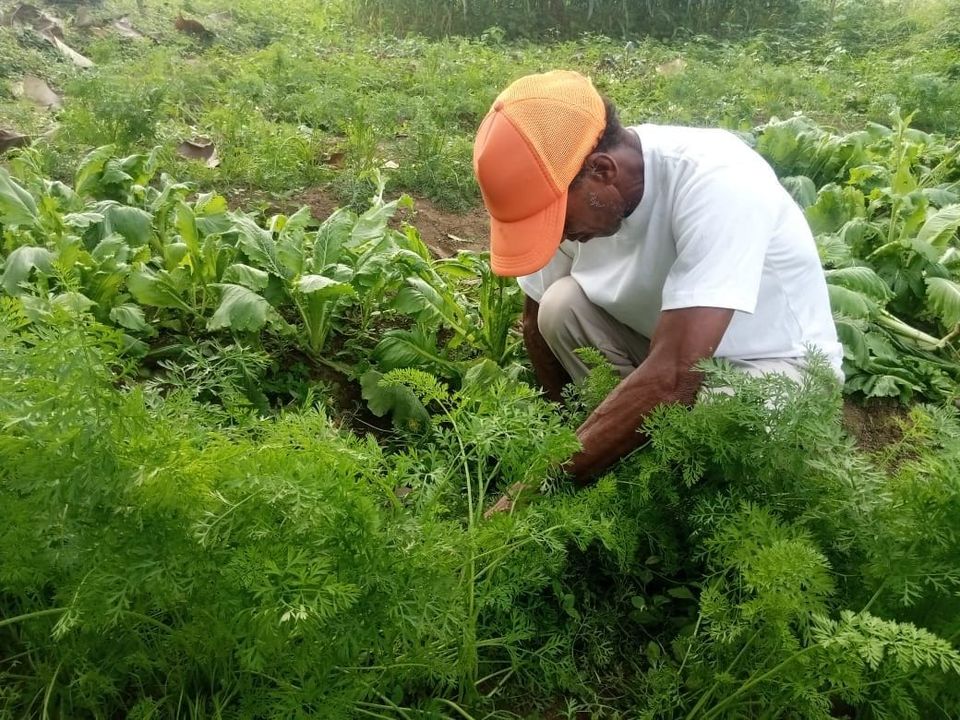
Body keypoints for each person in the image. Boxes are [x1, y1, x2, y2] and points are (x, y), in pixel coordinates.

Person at [472, 70, 842, 493]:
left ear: (602, 170)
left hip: (774, 368)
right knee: (560, 307)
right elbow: (535, 320)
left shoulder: (719, 181)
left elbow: (674, 377)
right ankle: (622, 459)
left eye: (556, 222)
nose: (557, 238)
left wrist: (539, 486)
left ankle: (641, 468)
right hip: (663, 353)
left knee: (714, 422)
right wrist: (564, 437)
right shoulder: (572, 190)